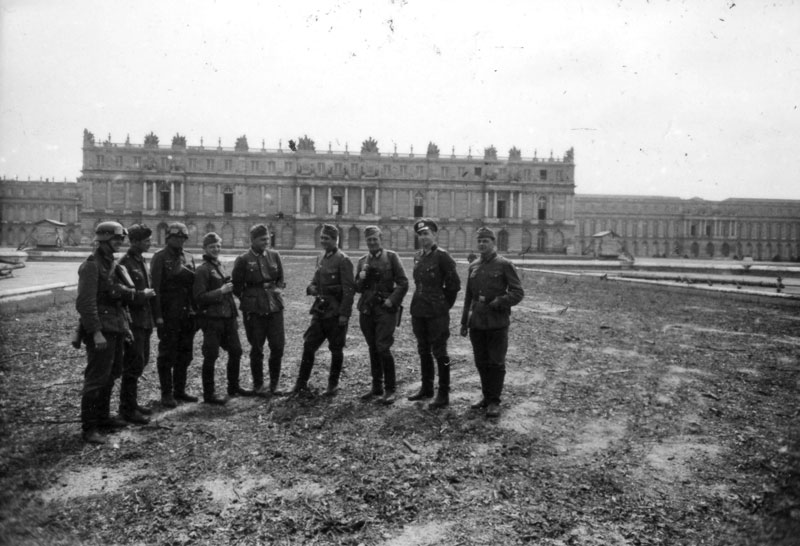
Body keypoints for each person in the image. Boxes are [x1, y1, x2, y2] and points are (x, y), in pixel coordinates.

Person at [76, 221, 138, 444]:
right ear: (102, 239)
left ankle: (103, 418)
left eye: (121, 239)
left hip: (116, 326)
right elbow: (85, 303)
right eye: (115, 239)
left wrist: (126, 328)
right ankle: (89, 428)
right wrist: (95, 332)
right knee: (96, 378)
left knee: (112, 374)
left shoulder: (111, 263)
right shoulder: (91, 266)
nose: (119, 243)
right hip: (102, 330)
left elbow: (118, 302)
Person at [460, 227, 525, 418]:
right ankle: (486, 396)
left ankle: (495, 401)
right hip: (477, 321)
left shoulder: (504, 264)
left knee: (496, 362)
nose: (482, 244)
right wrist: (465, 322)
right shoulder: (474, 266)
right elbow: (468, 297)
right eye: (479, 241)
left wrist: (500, 301)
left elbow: (517, 292)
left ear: (493, 243)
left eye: (485, 241)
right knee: (481, 361)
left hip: (497, 321)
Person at [292, 224, 355, 397]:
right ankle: (301, 383)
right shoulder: (321, 257)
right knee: (308, 345)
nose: (322, 241)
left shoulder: (344, 260)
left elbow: (349, 290)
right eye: (321, 238)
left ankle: (332, 385)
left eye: (326, 238)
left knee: (336, 349)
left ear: (336, 240)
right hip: (320, 310)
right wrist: (311, 287)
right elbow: (314, 280)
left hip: (335, 313)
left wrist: (344, 314)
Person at [408, 218, 461, 409]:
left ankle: (443, 393)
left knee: (440, 352)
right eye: (420, 234)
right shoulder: (417, 256)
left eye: (426, 234)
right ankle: (426, 388)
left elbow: (454, 285)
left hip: (437, 312)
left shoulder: (443, 257)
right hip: (419, 310)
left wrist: (443, 305)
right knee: (423, 350)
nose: (423, 237)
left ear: (434, 235)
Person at [354, 226, 409, 405]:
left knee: (383, 347)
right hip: (367, 309)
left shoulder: (392, 257)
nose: (372, 242)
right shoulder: (362, 261)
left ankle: (390, 389)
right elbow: (357, 288)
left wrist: (392, 300)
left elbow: (403, 282)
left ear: (381, 239)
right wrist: (361, 278)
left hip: (385, 309)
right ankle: (376, 387)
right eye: (369, 240)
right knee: (372, 347)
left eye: (374, 239)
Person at [232, 224, 286, 397]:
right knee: (257, 347)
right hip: (254, 310)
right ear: (253, 240)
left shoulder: (274, 255)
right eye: (262, 239)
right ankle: (258, 384)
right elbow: (237, 286)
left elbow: (280, 280)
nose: (266, 242)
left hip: (275, 306)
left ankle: (275, 384)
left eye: (268, 239)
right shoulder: (243, 259)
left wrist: (276, 290)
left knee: (278, 346)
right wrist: (249, 300)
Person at [150, 222, 198, 407]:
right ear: (168, 238)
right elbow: (156, 288)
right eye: (175, 237)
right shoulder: (160, 257)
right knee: (167, 354)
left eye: (182, 237)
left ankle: (180, 390)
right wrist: (158, 315)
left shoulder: (189, 257)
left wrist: (196, 310)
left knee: (185, 354)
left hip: (187, 313)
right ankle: (166, 393)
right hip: (169, 314)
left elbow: (193, 286)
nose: (179, 241)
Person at [193, 232, 244, 404]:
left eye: (218, 246)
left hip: (228, 317)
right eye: (212, 247)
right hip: (212, 319)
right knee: (211, 355)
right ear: (205, 249)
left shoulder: (219, 266)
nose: (216, 249)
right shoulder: (202, 270)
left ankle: (233, 386)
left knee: (236, 350)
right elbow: (199, 297)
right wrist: (220, 291)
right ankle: (209, 394)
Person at [118, 224, 157, 424]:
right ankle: (127, 409)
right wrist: (143, 295)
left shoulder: (140, 260)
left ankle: (131, 404)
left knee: (141, 362)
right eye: (146, 240)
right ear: (134, 242)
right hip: (133, 322)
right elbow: (122, 294)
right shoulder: (125, 263)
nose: (150, 243)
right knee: (133, 365)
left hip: (144, 320)